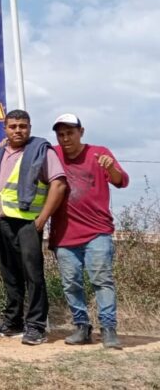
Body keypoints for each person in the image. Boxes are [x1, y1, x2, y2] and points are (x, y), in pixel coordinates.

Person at [0, 109, 67, 345]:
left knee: (33, 275)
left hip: (28, 222)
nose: (18, 130)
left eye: (23, 126)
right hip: (2, 219)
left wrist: (41, 220)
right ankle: (14, 322)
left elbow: (58, 185)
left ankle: (37, 326)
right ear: (5, 129)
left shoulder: (41, 151)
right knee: (10, 274)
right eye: (13, 126)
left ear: (29, 127)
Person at [50, 114, 129, 349]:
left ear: (81, 132)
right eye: (61, 134)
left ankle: (108, 329)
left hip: (97, 231)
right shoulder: (53, 154)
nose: (65, 138)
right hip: (64, 234)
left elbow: (121, 181)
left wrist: (111, 168)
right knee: (71, 283)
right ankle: (82, 327)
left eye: (70, 133)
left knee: (102, 280)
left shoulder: (99, 153)